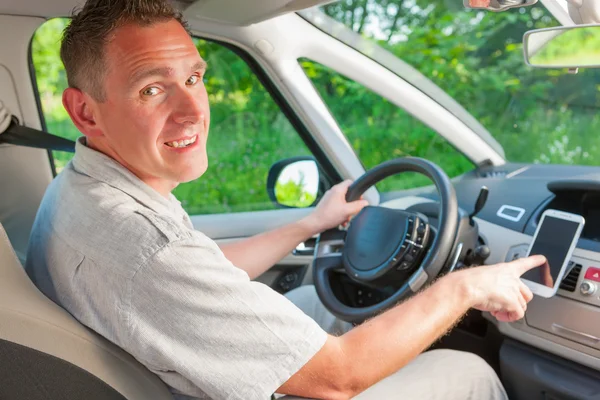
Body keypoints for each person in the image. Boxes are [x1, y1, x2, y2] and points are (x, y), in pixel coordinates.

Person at [25, 1, 546, 399]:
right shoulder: (144, 245)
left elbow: (200, 270)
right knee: (470, 373)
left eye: (193, 78)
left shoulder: (82, 189)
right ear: (86, 112)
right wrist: (466, 286)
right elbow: (339, 378)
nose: (193, 111)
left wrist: (310, 223)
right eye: (151, 90)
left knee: (326, 300)